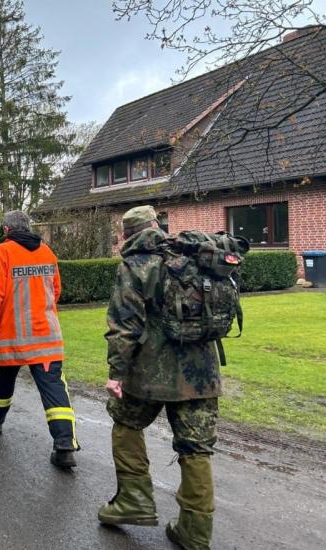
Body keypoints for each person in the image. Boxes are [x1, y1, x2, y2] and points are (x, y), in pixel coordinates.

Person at [97, 205, 245, 549]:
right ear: (156, 226)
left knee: (126, 423)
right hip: (201, 375)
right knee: (196, 448)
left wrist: (116, 374)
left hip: (148, 373)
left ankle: (133, 501)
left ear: (126, 234)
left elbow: (124, 327)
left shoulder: (135, 265)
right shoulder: (196, 256)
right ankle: (195, 531)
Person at [0, 211, 78, 470]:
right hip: (46, 337)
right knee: (54, 389)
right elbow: (56, 290)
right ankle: (64, 445)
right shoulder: (47, 252)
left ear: (6, 229)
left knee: (3, 382)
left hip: (10, 337)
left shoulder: (2, 253)